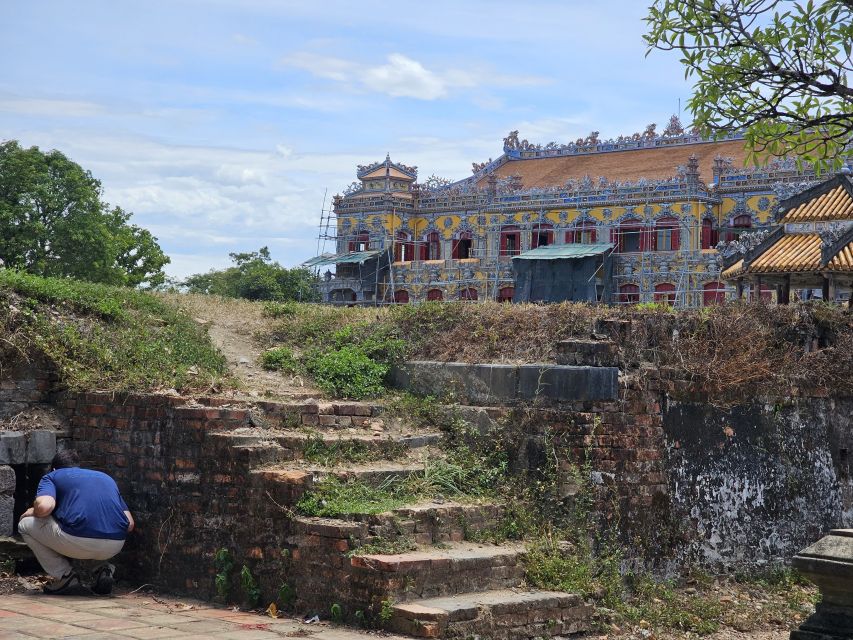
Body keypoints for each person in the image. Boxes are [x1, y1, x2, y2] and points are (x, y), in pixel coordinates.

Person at [18, 449, 134, 595]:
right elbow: (129, 524)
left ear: (54, 468)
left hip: (77, 540)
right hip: (115, 544)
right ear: (77, 466)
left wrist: (32, 511)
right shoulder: (106, 478)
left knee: (24, 525)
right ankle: (103, 571)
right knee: (84, 526)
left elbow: (45, 507)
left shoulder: (52, 476)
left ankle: (65, 576)